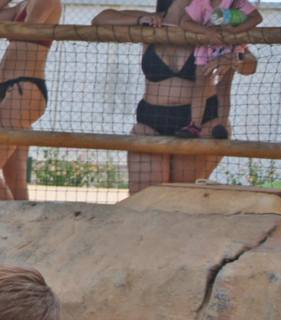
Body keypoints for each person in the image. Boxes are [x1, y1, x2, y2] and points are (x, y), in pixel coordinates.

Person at [94, 0, 231, 192]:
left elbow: (249, 61)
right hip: (151, 119)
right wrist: (141, 19)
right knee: (142, 196)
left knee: (178, 195)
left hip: (197, 122)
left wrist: (234, 59)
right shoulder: (153, 24)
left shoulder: (211, 27)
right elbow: (100, 19)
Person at [0, 0, 60, 201]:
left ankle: (10, 226)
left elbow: (25, 31)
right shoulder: (24, 4)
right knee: (15, 183)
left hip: (25, 91)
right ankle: (25, 230)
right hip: (12, 92)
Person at [184, 0, 258, 138]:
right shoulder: (201, 2)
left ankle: (221, 125)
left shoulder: (237, 2)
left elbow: (257, 18)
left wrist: (235, 31)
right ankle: (194, 125)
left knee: (224, 87)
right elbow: (185, 22)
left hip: (229, 49)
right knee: (200, 85)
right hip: (205, 49)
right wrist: (206, 31)